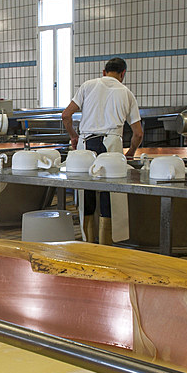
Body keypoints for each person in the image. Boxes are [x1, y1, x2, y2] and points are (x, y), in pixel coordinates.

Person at [61, 57, 142, 245]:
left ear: (104, 72)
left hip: (86, 144)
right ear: (123, 74)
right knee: (111, 196)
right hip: (112, 145)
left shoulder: (88, 86)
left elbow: (66, 115)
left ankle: (88, 242)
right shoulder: (127, 93)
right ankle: (106, 245)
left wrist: (74, 136)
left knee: (86, 193)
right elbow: (138, 134)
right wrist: (129, 154)